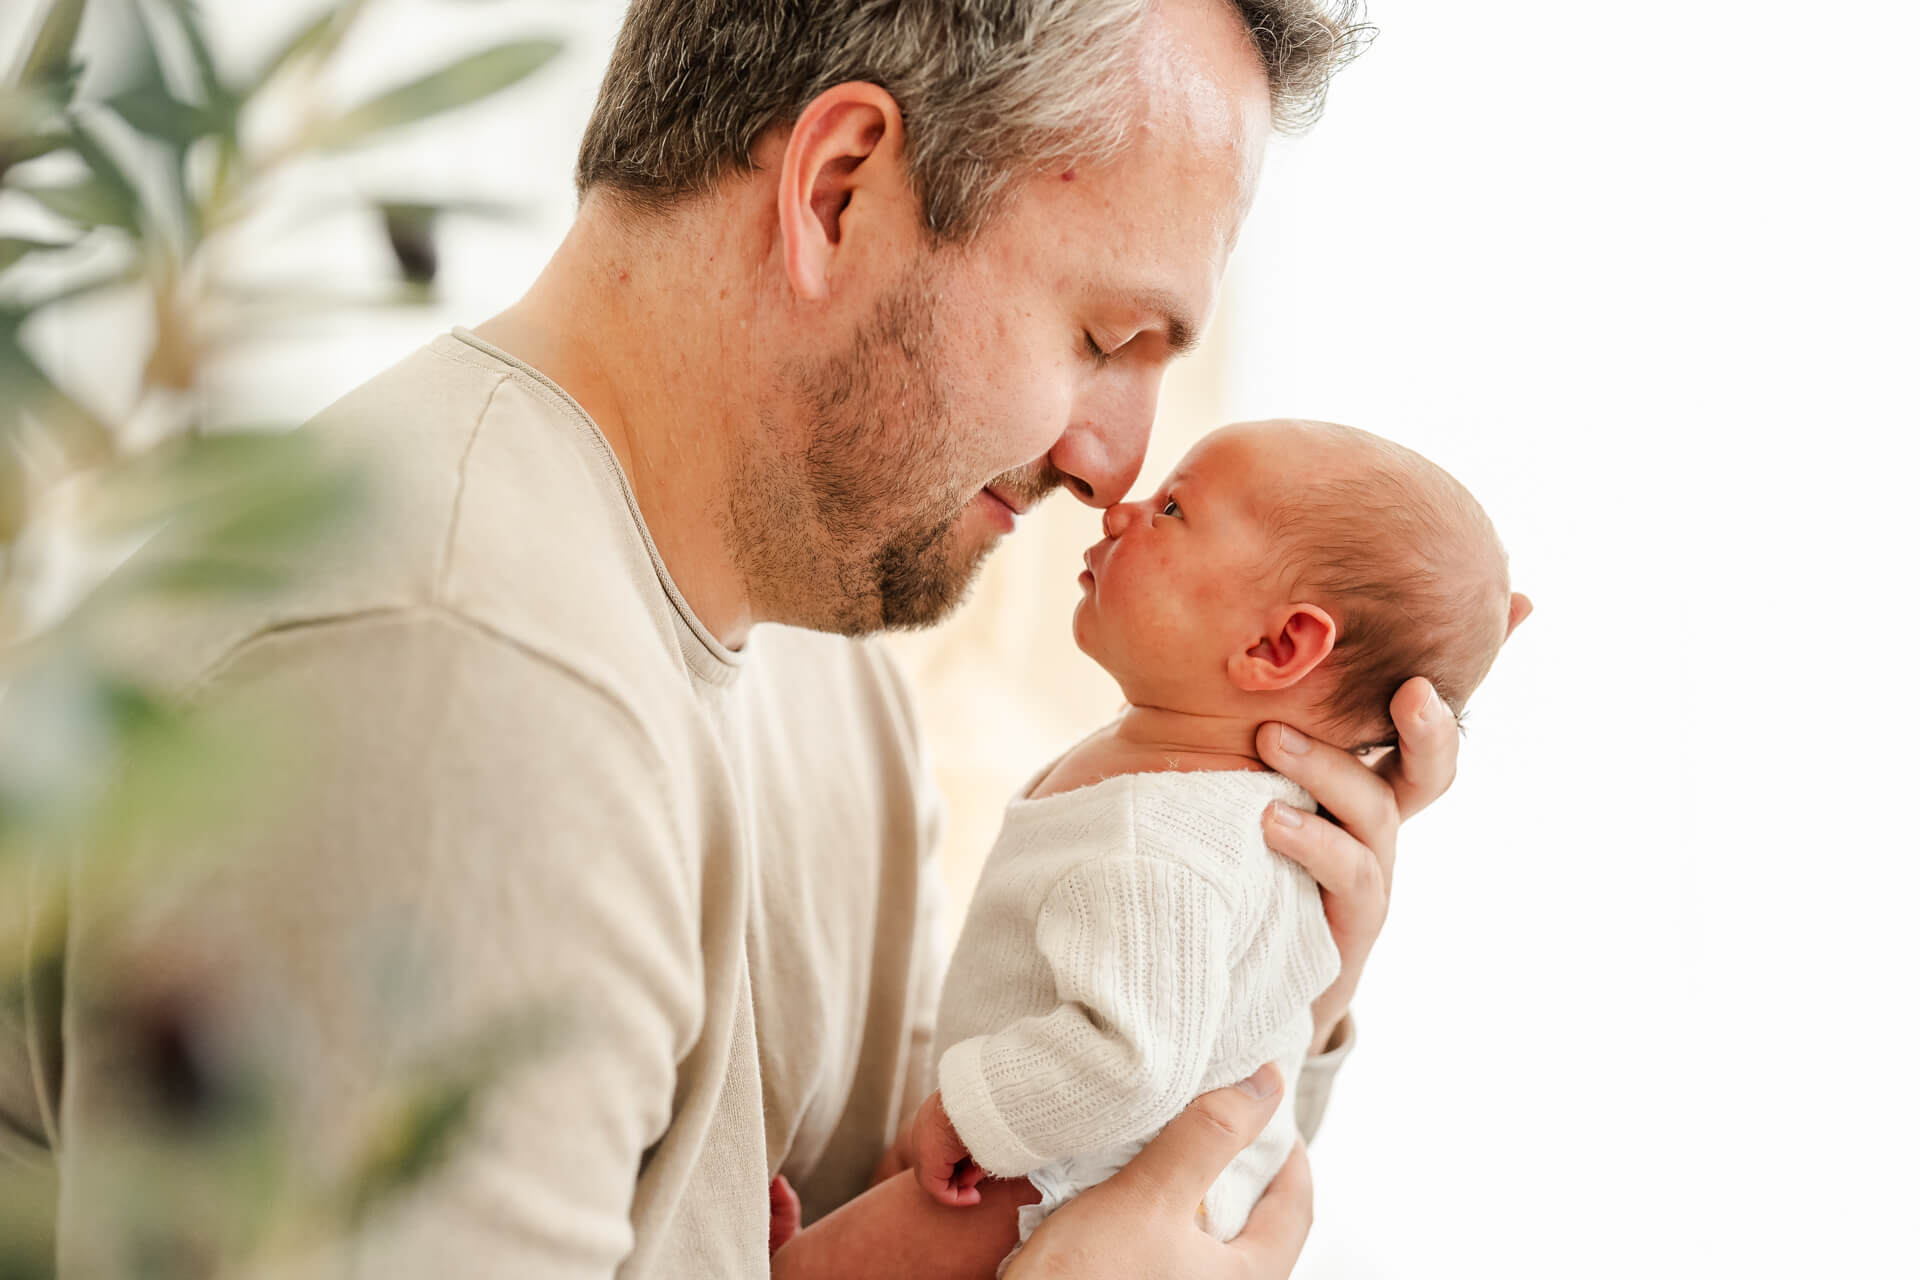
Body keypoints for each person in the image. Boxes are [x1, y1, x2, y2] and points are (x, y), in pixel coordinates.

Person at [0, 3, 1498, 1276]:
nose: (1115, 461)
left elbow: (959, 1187)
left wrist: (1275, 970)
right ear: (839, 191)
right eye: (1103, 338)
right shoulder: (460, 689)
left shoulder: (814, 647)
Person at [876, 420, 1525, 1278]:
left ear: (1276, 647)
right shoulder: (1239, 813)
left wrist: (970, 1111)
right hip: (1104, 1188)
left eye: (1174, 509)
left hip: (1054, 1198)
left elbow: (1132, 1061)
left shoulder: (1160, 839)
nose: (1119, 511)